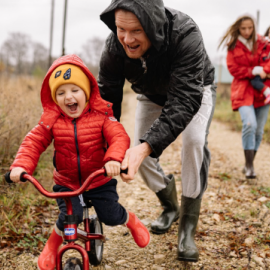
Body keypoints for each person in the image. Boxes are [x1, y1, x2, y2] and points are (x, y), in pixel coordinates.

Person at [98, 0, 216, 262]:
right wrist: (105, 145)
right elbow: (107, 101)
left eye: (136, 31)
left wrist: (146, 146)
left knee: (194, 142)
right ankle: (170, 206)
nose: (127, 39)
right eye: (120, 29)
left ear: (152, 25)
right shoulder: (113, 47)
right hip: (150, 95)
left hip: (195, 90)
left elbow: (185, 100)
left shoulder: (185, 34)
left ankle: (187, 227)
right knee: (139, 150)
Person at [8, 54, 150, 270]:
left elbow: (119, 137)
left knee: (110, 215)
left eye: (75, 90)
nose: (69, 97)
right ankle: (51, 247)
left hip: (98, 180)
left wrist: (112, 159)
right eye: (61, 93)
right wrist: (21, 166)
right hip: (67, 183)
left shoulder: (102, 116)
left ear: (87, 91)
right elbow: (33, 142)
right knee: (68, 218)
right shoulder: (52, 121)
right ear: (55, 98)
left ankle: (130, 220)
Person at [219, 15, 270, 179]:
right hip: (242, 90)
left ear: (254, 27)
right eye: (243, 28)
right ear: (238, 28)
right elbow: (233, 69)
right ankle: (249, 166)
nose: (247, 31)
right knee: (249, 124)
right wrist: (252, 71)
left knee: (259, 130)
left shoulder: (262, 42)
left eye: (250, 28)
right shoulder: (233, 46)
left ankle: (250, 164)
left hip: (262, 92)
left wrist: (264, 70)